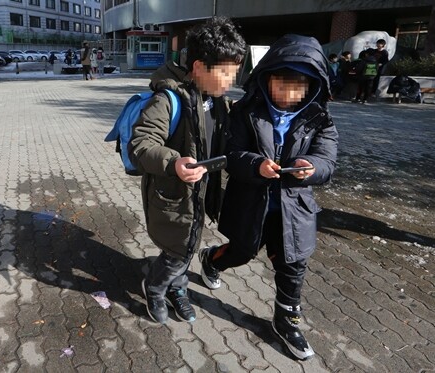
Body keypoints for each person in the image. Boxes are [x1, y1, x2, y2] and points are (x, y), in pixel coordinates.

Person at [198, 34, 338, 360]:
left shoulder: (320, 119)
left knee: (293, 264)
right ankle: (211, 259)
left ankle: (286, 320)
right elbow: (231, 154)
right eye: (282, 84)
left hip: (294, 209)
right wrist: (256, 165)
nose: (290, 95)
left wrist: (311, 167)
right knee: (242, 252)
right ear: (267, 77)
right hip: (251, 203)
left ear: (312, 85)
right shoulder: (245, 111)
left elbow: (327, 161)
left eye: (299, 86)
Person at [128, 17, 246, 324]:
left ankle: (176, 287)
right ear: (198, 67)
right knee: (176, 252)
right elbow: (141, 143)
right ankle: (154, 286)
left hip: (200, 196)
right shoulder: (167, 99)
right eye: (224, 73)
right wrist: (173, 162)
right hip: (173, 196)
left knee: (188, 247)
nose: (229, 81)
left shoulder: (216, 100)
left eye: (234, 74)